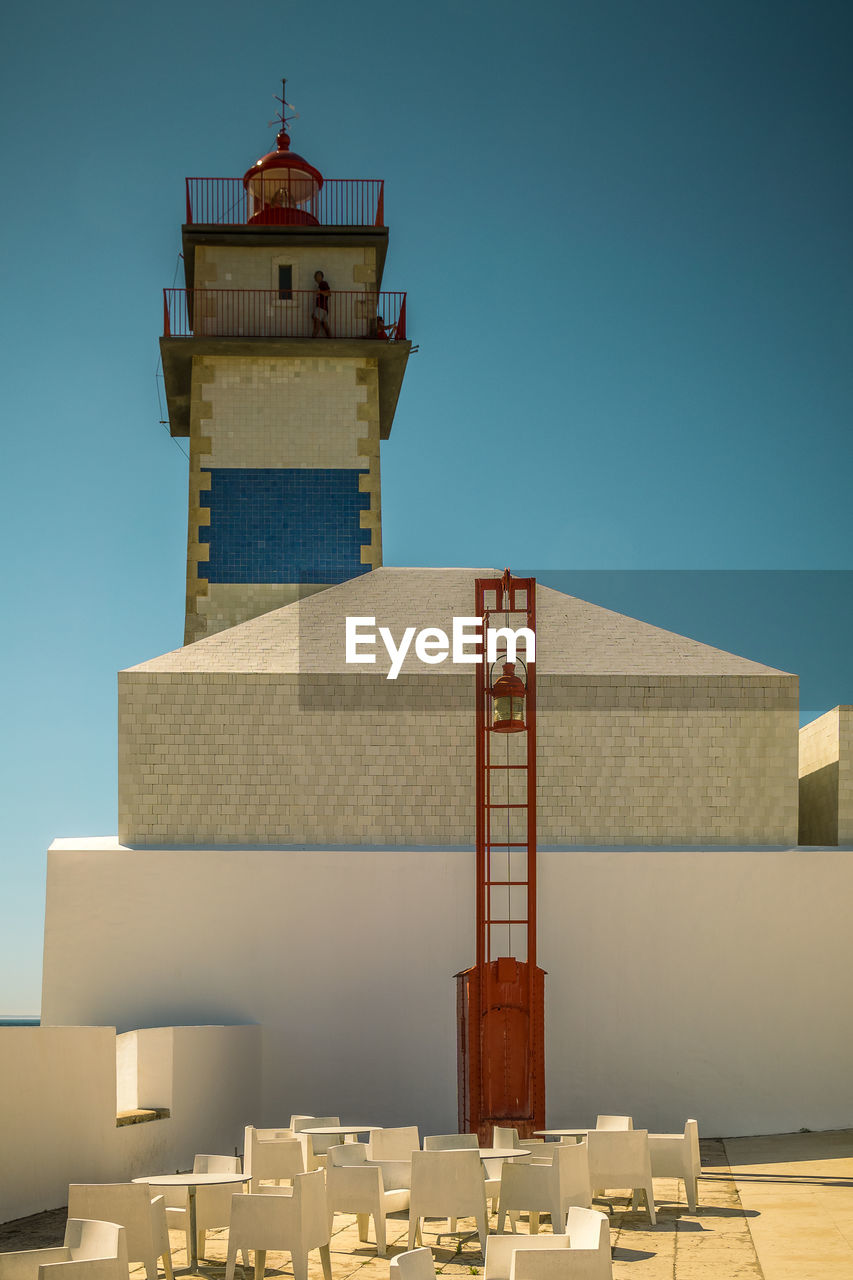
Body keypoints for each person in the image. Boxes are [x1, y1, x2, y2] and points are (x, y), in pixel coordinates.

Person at [313, 270, 331, 337]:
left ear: (321, 276)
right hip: (322, 308)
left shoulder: (323, 283)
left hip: (321, 308)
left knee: (316, 326)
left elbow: (329, 294)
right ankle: (331, 340)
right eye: (316, 276)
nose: (317, 277)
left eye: (318, 275)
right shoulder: (320, 285)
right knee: (326, 327)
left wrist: (320, 292)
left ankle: (311, 343)